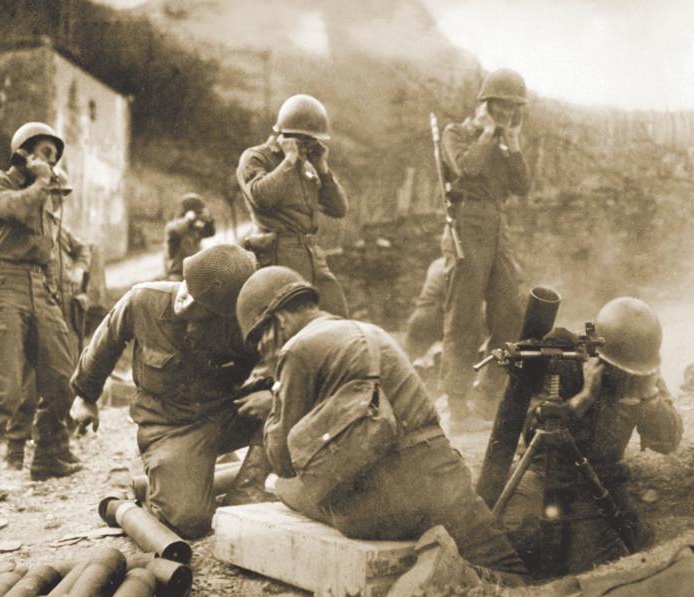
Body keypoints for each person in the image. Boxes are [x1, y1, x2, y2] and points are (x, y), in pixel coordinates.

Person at [235, 266, 528, 590]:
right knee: (511, 571)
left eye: (259, 339)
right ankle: (470, 575)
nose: (262, 350)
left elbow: (285, 461)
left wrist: (273, 401)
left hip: (378, 506)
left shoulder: (297, 350)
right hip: (443, 477)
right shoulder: (367, 331)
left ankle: (444, 573)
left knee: (282, 484)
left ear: (279, 321)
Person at [69, 244, 274, 539]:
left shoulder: (241, 323)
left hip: (224, 413)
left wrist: (272, 392)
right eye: (187, 291)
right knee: (189, 522)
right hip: (169, 428)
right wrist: (85, 397)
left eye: (202, 305)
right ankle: (154, 492)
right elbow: (105, 343)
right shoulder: (143, 300)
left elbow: (286, 355)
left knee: (287, 406)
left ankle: (246, 491)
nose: (187, 305)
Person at [500, 297, 683, 576]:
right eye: (619, 371)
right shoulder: (566, 362)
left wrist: (651, 399)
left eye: (632, 373)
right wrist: (583, 399)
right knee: (516, 539)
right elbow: (531, 435)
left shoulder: (643, 374)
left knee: (604, 564)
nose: (624, 378)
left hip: (601, 485)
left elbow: (668, 441)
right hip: (547, 477)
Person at [0, 122, 81, 500]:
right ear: (24, 153)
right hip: (3, 285)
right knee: (5, 387)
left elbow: (46, 252)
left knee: (64, 373)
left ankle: (49, 453)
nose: (52, 163)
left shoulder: (40, 195)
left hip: (36, 286)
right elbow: (14, 210)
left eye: (54, 157)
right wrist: (42, 183)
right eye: (45, 153)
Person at [439, 68, 529, 430]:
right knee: (463, 318)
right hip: (466, 224)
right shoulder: (456, 133)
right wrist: (489, 133)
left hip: (496, 226)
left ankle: (487, 391)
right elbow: (467, 168)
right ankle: (457, 406)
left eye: (512, 109)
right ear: (485, 105)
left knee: (510, 309)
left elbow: (521, 185)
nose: (506, 114)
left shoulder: (505, 143)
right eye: (500, 107)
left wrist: (514, 145)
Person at [4, 170, 92, 470]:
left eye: (60, 195)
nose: (56, 200)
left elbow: (83, 250)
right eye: (53, 194)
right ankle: (34, 452)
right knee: (42, 385)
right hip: (39, 313)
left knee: (64, 381)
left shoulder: (58, 228)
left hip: (63, 314)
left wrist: (79, 269)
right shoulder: (28, 226)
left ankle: (58, 447)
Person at [236, 94, 349, 317]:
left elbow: (339, 208)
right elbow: (261, 197)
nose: (308, 146)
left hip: (310, 253)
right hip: (276, 255)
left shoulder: (308, 165)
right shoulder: (256, 158)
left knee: (336, 316)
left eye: (313, 141)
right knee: (291, 324)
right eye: (303, 140)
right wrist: (288, 160)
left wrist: (323, 168)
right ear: (285, 134)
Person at [163, 193, 216, 281]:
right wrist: (188, 219)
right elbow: (174, 231)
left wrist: (209, 220)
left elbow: (210, 233)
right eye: (197, 212)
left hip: (194, 273)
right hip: (178, 274)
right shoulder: (174, 225)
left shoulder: (194, 227)